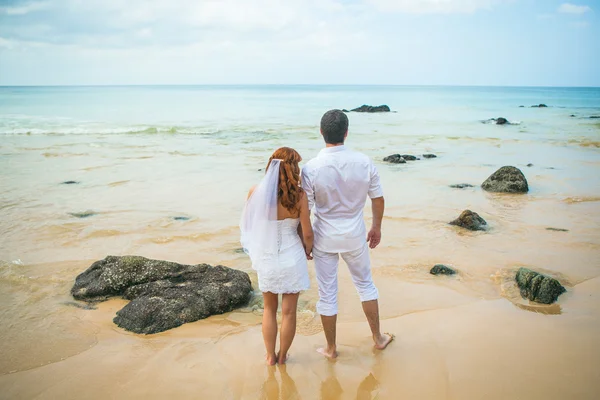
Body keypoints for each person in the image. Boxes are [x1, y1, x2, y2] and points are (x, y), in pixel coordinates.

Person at [301, 109, 393, 359]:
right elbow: (378, 198)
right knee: (365, 285)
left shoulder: (310, 168)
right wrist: (376, 227)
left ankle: (330, 348)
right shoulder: (364, 162)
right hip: (355, 235)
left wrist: (305, 241)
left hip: (323, 237)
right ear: (346, 132)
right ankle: (378, 338)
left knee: (327, 293)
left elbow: (305, 211)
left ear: (321, 132)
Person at [240, 147, 313, 365]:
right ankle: (283, 357)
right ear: (293, 169)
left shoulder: (255, 192)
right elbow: (307, 232)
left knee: (269, 309)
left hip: (267, 257)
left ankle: (270, 356)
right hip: (292, 257)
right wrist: (308, 249)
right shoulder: (300, 196)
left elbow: (249, 226)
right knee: (289, 312)